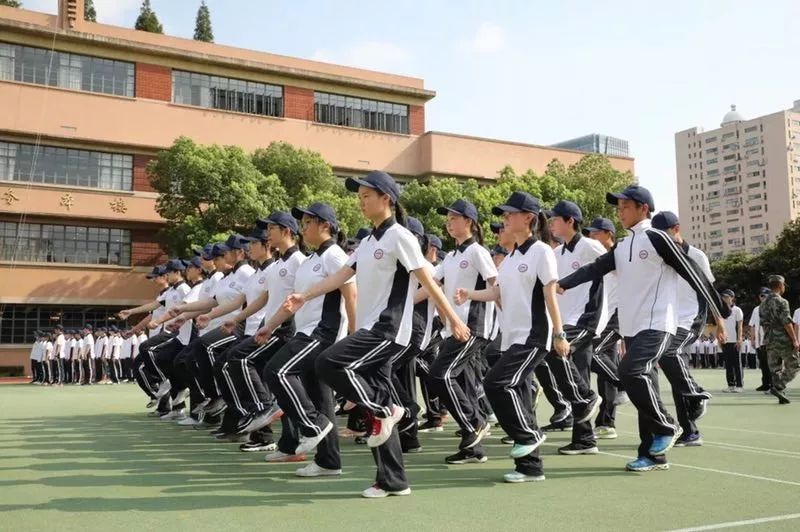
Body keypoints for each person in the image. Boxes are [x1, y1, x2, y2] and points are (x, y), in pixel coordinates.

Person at [283, 170, 470, 499]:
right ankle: (393, 480)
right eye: (359, 197)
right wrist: (305, 295)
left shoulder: (400, 237)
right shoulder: (368, 242)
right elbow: (342, 276)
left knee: (327, 364)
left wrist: (453, 319)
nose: (361, 201)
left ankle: (384, 412)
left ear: (387, 199)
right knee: (378, 404)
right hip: (374, 329)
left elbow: (427, 281)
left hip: (389, 329)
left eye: (366, 196)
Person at [558, 185, 728, 472]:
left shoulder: (657, 237)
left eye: (625, 206)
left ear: (643, 209)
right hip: (631, 328)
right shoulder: (623, 247)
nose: (620, 211)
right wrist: (562, 283)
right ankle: (651, 455)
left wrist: (719, 309)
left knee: (629, 371)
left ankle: (666, 426)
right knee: (644, 385)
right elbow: (594, 269)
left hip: (659, 324)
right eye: (619, 207)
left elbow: (692, 272)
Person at [456, 190, 570, 483]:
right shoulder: (511, 257)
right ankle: (530, 468)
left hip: (534, 336)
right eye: (504, 215)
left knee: (496, 383)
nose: (504, 219)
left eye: (509, 214)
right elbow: (497, 292)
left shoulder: (541, 251)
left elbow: (549, 293)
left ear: (529, 218)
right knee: (517, 392)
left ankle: (529, 435)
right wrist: (470, 293)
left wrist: (559, 334)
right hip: (512, 337)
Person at [260, 202, 356, 477]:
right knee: (320, 396)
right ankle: (329, 461)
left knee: (276, 370)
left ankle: (312, 424)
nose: (303, 229)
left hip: (324, 333)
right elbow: (293, 303)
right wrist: (269, 326)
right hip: (306, 330)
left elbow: (351, 294)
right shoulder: (311, 261)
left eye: (307, 224)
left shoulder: (335, 255)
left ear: (324, 225)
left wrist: (353, 334)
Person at [426, 198, 497, 464]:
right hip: (453, 329)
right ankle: (473, 449)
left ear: (469, 222)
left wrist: (472, 295)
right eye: (448, 218)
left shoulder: (478, 251)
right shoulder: (453, 256)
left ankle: (474, 422)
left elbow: (496, 288)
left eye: (454, 217)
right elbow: (430, 286)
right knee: (462, 383)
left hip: (473, 327)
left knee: (439, 375)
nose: (449, 222)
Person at [537, 200, 605, 456]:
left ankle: (588, 398)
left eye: (555, 219)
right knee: (579, 374)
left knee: (557, 353)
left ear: (570, 221)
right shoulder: (556, 253)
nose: (551, 223)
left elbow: (615, 268)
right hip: (565, 321)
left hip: (587, 319)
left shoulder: (591, 246)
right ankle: (585, 439)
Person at [582, 217, 624, 440]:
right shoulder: (597, 257)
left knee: (595, 353)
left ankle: (625, 385)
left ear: (608, 234)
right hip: (602, 315)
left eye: (595, 233)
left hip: (618, 314)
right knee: (604, 366)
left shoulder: (620, 253)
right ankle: (606, 421)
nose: (591, 237)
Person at [759, 275, 800, 405]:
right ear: (780, 286)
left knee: (775, 369)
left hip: (769, 340)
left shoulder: (762, 304)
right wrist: (794, 339)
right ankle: (779, 387)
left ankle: (780, 393)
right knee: (795, 364)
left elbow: (763, 324)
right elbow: (786, 322)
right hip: (782, 339)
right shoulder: (782, 302)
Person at [719, 289, 744, 392]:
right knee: (728, 364)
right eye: (723, 297)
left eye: (727, 297)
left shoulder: (737, 310)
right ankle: (731, 385)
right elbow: (719, 326)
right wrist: (719, 339)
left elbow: (740, 326)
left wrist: (739, 339)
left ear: (732, 298)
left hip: (734, 341)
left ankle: (739, 385)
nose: (725, 299)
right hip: (725, 341)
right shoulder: (720, 310)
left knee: (737, 364)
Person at [750, 288, 771, 391]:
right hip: (760, 341)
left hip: (770, 340)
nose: (763, 298)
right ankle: (765, 383)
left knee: (771, 363)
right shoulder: (756, 309)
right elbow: (753, 325)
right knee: (763, 363)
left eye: (765, 295)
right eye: (761, 296)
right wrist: (753, 339)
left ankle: (774, 384)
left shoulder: (772, 308)